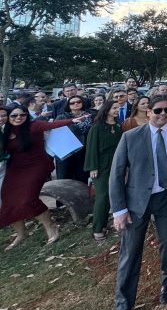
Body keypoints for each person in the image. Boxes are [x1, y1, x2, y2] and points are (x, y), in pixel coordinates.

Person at [110, 95, 167, 309]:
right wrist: (119, 210)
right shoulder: (130, 137)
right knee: (131, 251)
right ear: (148, 112)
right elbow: (117, 173)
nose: (163, 114)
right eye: (158, 110)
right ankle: (124, 301)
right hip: (137, 201)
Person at [0, 106, 87, 250]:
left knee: (28, 199)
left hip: (37, 166)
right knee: (8, 200)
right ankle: (21, 234)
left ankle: (51, 227)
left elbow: (51, 125)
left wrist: (72, 120)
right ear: (9, 117)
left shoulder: (33, 126)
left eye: (22, 115)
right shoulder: (6, 130)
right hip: (15, 169)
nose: (18, 118)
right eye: (14, 115)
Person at [84, 101, 123, 241]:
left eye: (118, 108)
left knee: (111, 194)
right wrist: (92, 167)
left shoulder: (117, 127)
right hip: (101, 165)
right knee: (102, 195)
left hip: (115, 164)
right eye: (114, 108)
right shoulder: (97, 128)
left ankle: (104, 223)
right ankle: (97, 229)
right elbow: (91, 148)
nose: (117, 110)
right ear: (106, 110)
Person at [55, 94, 96, 184]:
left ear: (83, 103)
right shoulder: (62, 117)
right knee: (65, 179)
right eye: (72, 103)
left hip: (85, 150)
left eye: (78, 102)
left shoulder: (92, 115)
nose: (75, 104)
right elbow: (56, 135)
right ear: (68, 105)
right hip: (67, 151)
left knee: (82, 177)